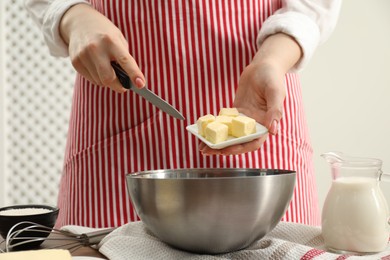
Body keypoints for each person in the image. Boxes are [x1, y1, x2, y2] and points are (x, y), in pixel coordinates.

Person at [25, 0, 341, 228]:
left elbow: (313, 7)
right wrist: (75, 16)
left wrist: (272, 61)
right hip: (115, 126)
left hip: (257, 113)